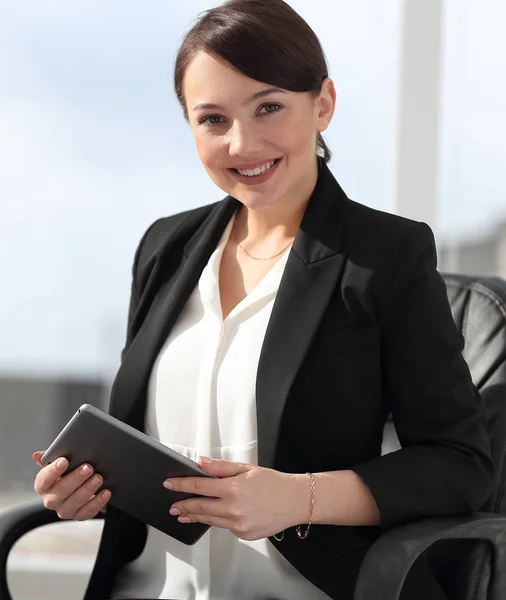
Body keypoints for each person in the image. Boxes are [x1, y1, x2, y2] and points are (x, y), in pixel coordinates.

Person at [32, 0, 493, 598]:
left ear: (323, 103)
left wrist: (299, 497)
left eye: (269, 107)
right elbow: (137, 448)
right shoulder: (165, 247)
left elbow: (461, 465)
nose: (242, 143)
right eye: (213, 119)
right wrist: (85, 489)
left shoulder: (386, 256)